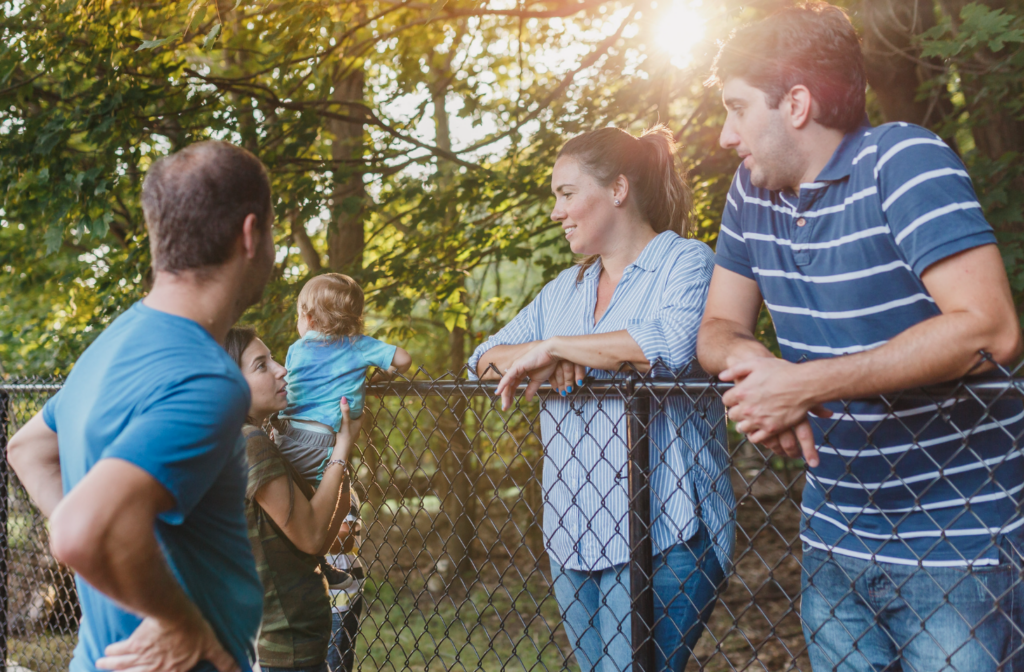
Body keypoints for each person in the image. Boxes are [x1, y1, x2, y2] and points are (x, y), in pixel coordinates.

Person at [697, 4, 1024, 671]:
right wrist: (757, 368)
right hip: (834, 542)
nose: (728, 136)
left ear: (795, 103)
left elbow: (990, 329)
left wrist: (805, 384)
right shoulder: (751, 194)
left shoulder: (902, 159)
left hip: (956, 544)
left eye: (736, 108)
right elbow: (716, 329)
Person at [471, 126, 734, 671]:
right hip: (573, 532)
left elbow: (668, 346)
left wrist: (561, 348)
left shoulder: (684, 263)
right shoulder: (563, 290)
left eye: (566, 193)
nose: (555, 211)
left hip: (667, 530)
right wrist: (554, 354)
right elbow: (483, 359)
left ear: (617, 189)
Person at [6, 141, 275, 672]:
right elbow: (80, 530)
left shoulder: (110, 344)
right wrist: (181, 625)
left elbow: (28, 448)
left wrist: (103, 562)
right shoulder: (210, 378)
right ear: (250, 234)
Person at [225, 326, 357, 672]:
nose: (281, 369)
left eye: (274, 359)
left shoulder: (239, 437)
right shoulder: (249, 442)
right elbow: (313, 535)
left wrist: (333, 453)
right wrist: (341, 449)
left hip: (279, 638)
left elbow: (316, 540)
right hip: (282, 644)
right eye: (261, 365)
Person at [276, 272, 410, 585]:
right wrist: (382, 376)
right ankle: (319, 562)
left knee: (292, 503)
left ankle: (301, 564)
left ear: (307, 318)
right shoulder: (358, 346)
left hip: (286, 433)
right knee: (336, 494)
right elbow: (403, 358)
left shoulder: (297, 350)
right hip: (325, 440)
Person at [325, 491, 365, 672]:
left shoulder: (341, 488)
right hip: (316, 593)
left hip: (341, 596)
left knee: (334, 664)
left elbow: (344, 534)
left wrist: (302, 537)